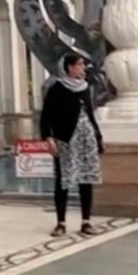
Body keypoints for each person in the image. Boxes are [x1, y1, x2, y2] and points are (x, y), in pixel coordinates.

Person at [39, 53, 104, 237]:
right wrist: (48, 137)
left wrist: (98, 136)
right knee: (63, 180)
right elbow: (47, 115)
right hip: (66, 138)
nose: (83, 68)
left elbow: (90, 113)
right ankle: (61, 222)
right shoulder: (57, 88)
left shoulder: (85, 88)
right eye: (80, 65)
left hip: (86, 137)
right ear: (70, 67)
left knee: (86, 178)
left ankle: (86, 220)